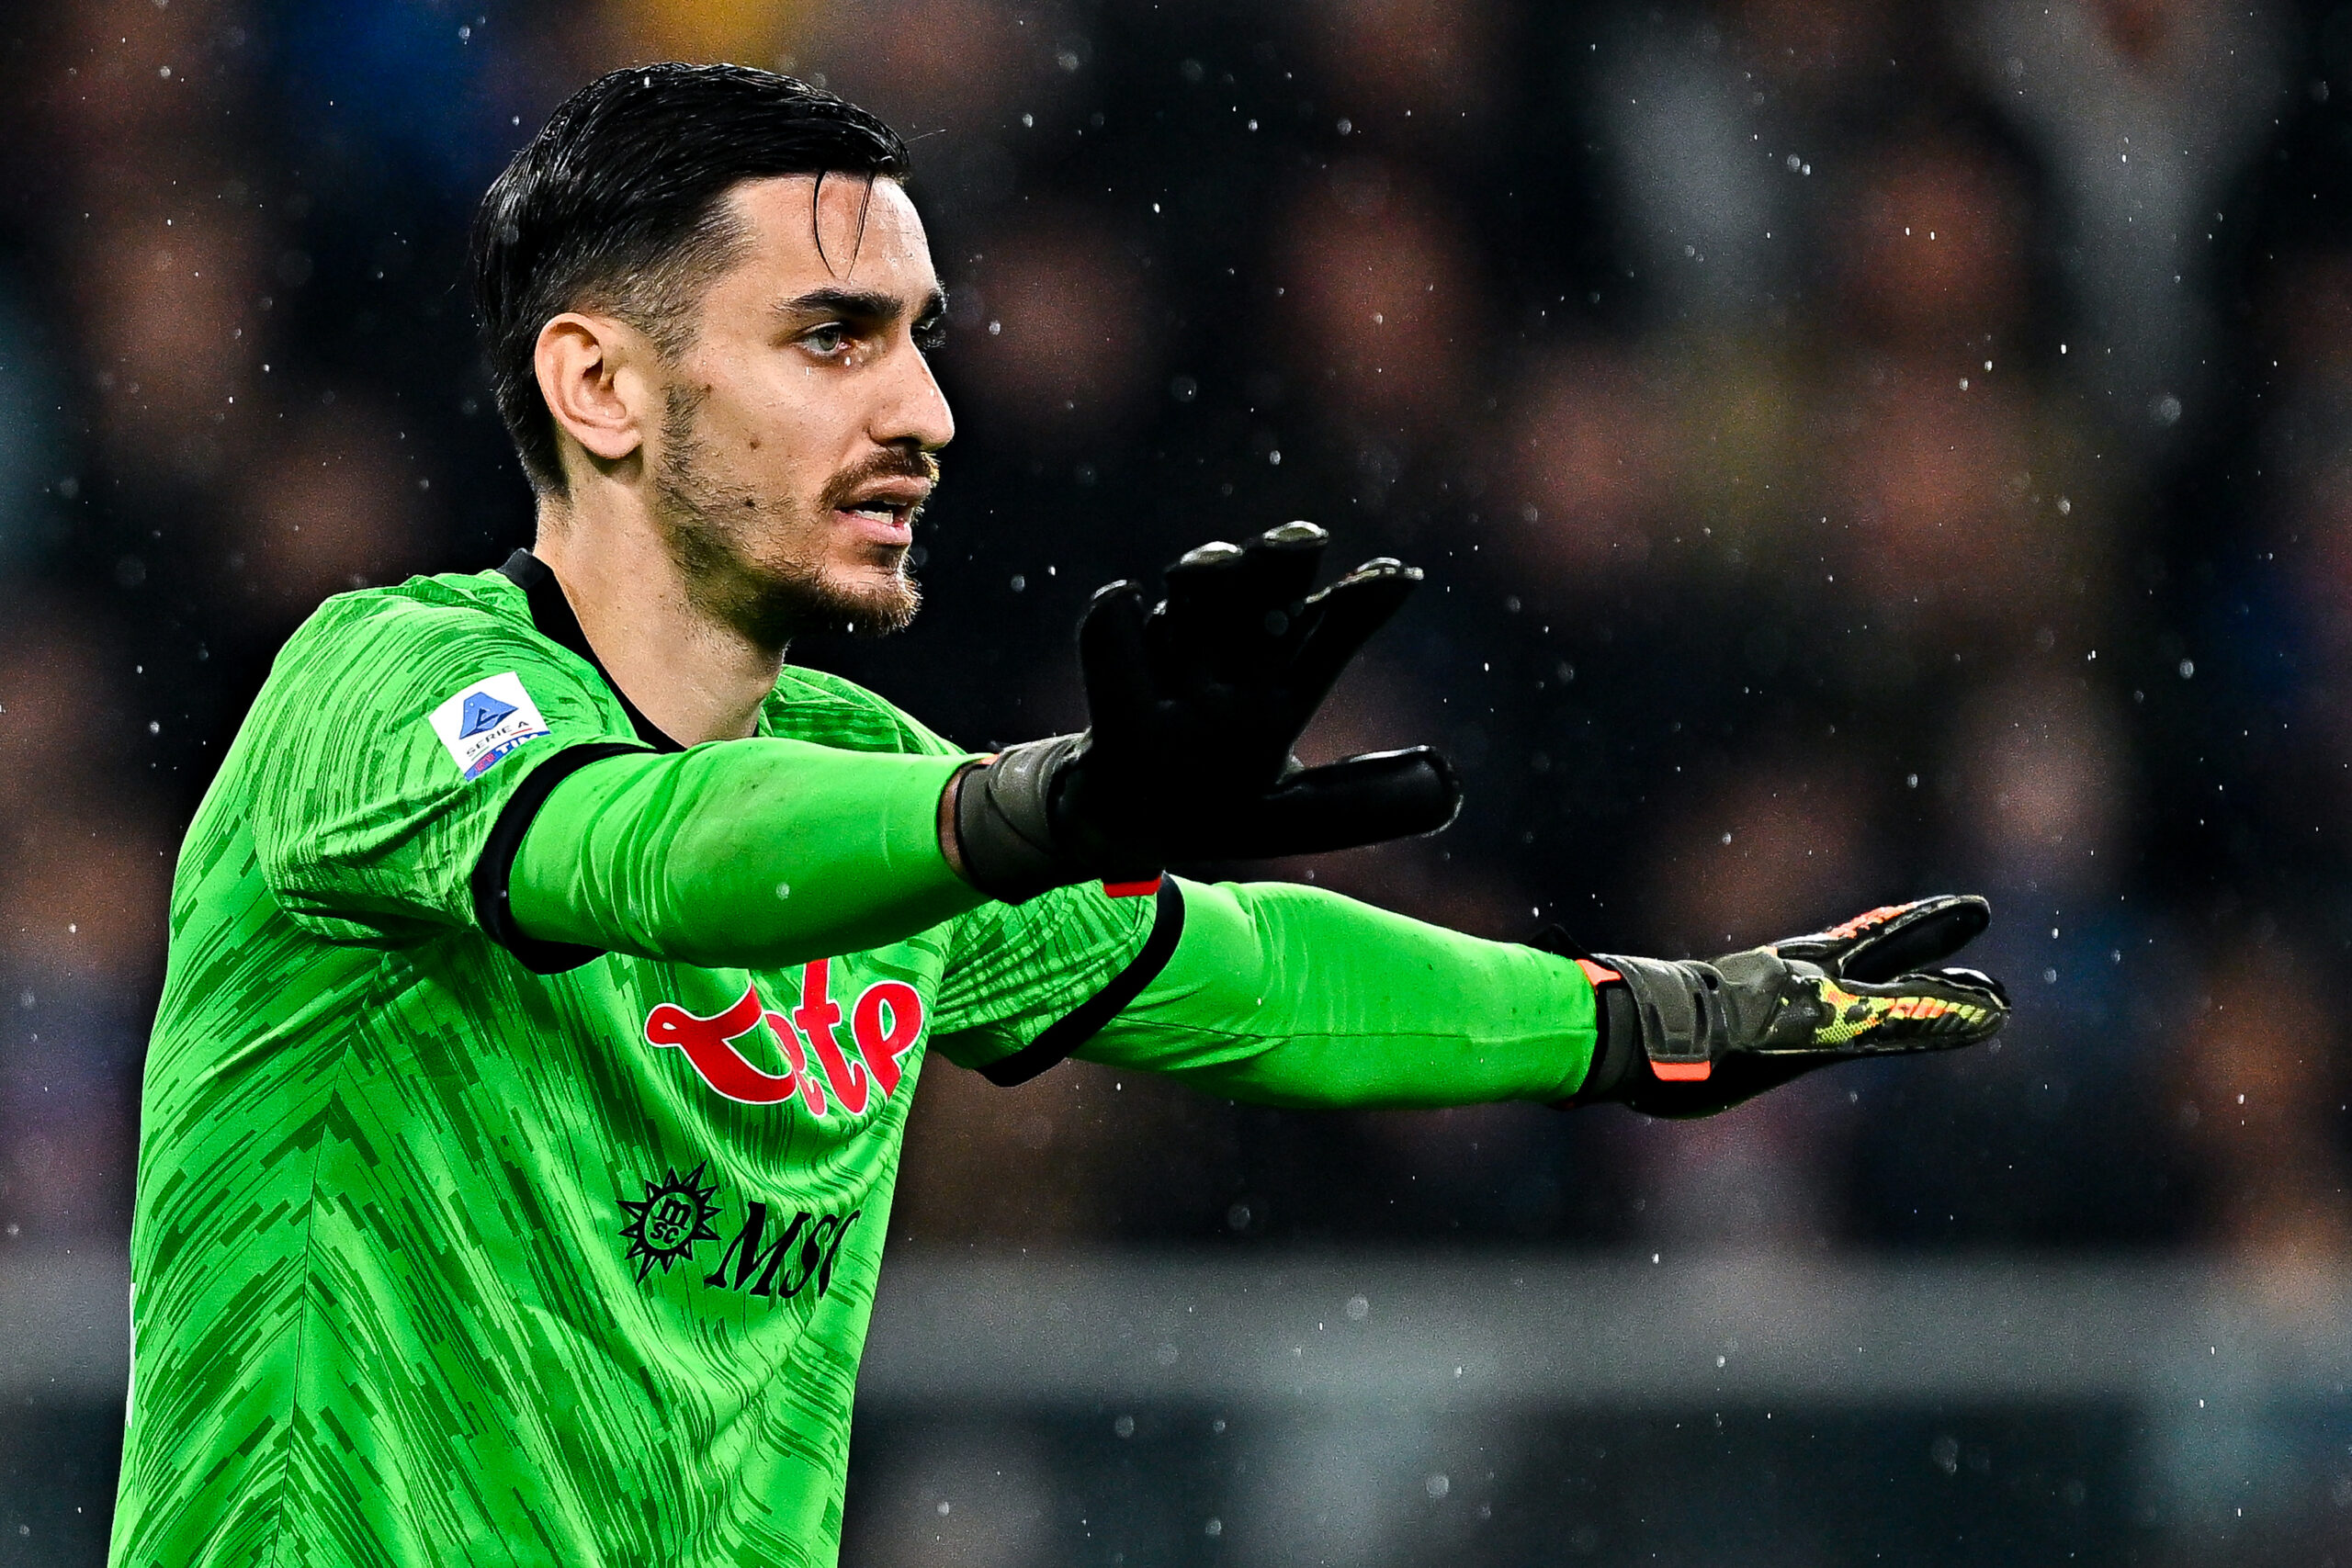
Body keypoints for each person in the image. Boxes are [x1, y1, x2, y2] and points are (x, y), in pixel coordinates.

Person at [108, 63, 2011, 1568]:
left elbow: (1246, 972)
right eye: (833, 337)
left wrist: (1647, 1018)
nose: (926, 412)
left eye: (921, 337)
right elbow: (645, 852)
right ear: (598, 382)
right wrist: (1038, 806)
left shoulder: (872, 779)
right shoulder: (378, 690)